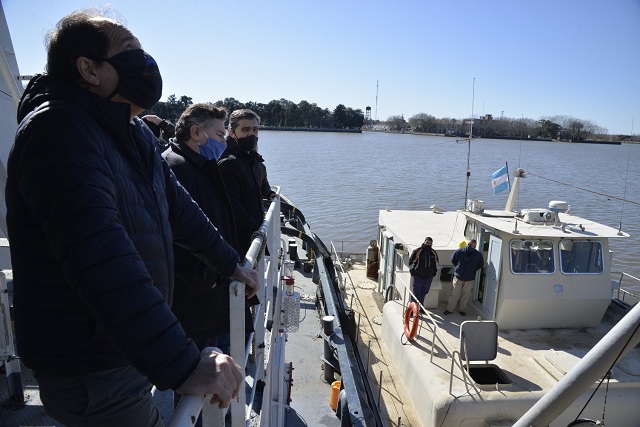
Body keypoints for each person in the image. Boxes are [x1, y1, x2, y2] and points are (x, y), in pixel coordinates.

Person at [5, 10, 259, 426]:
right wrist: (183, 365)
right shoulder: (57, 132)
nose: (145, 62)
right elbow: (102, 260)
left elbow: (180, 210)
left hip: (126, 346)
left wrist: (231, 263)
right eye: (129, 51)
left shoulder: (133, 132)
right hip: (90, 363)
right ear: (88, 68)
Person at [218, 109, 269, 257]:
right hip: (238, 242)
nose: (251, 134)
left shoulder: (250, 159)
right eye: (245, 129)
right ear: (232, 132)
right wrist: (255, 227)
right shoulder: (228, 161)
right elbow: (231, 206)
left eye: (255, 130)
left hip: (251, 237)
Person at [444, 239, 484, 316]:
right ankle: (449, 309)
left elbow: (480, 265)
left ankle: (462, 309)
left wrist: (472, 270)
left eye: (472, 246)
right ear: (467, 244)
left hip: (469, 279)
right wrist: (458, 268)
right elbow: (453, 259)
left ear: (475, 247)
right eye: (469, 245)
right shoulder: (459, 251)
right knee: (454, 294)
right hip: (458, 277)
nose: (470, 247)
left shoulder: (478, 255)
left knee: (466, 295)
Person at [408, 237, 439, 310]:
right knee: (416, 294)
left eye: (429, 243)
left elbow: (436, 263)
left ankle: (421, 308)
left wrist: (434, 272)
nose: (428, 244)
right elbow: (410, 263)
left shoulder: (433, 253)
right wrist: (413, 272)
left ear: (432, 244)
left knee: (424, 292)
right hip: (418, 276)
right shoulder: (417, 251)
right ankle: (412, 310)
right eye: (427, 242)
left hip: (428, 277)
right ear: (424, 242)